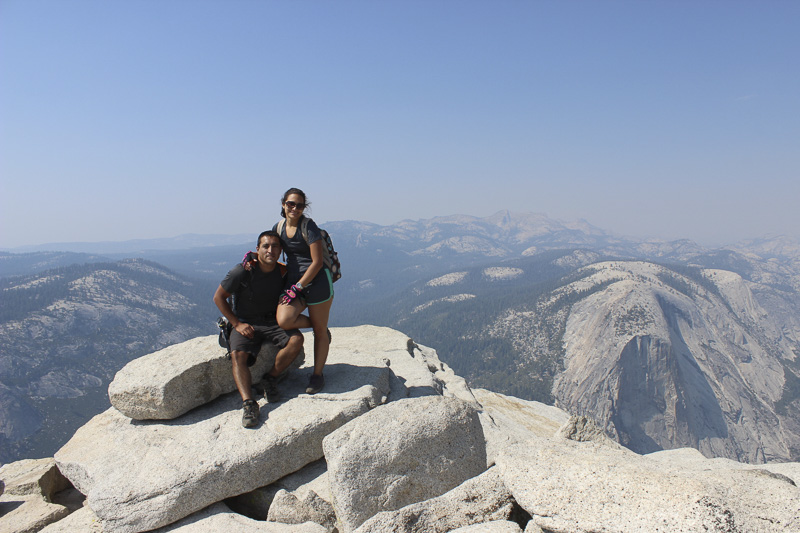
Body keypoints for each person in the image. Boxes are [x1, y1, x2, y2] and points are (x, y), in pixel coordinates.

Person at [214, 230, 304, 428]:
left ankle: (270, 378)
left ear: (281, 250)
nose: (270, 250)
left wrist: (319, 324)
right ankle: (249, 404)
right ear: (257, 249)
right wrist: (237, 324)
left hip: (273, 322)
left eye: (275, 246)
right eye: (266, 246)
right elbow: (218, 297)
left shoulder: (282, 272)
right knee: (238, 355)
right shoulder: (242, 271)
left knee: (296, 340)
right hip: (246, 322)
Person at [273, 188, 333, 395]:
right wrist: (254, 257)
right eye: (291, 204)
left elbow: (316, 262)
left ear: (303, 207)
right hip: (294, 284)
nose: (295, 208)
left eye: (299, 205)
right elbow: (272, 252)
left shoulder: (310, 227)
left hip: (317, 283)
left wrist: (298, 286)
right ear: (283, 204)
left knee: (318, 332)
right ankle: (321, 328)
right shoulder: (279, 228)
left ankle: (317, 375)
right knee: (285, 319)